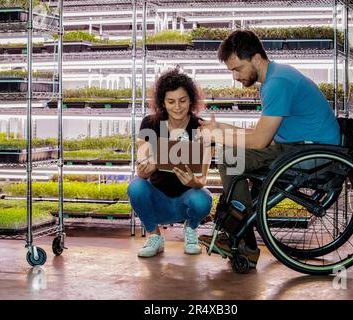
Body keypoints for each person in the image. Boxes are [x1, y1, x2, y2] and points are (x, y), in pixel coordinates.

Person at [198, 30, 340, 269]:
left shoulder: (277, 84)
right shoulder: (274, 78)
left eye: (237, 69)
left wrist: (218, 136)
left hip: (312, 155)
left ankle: (242, 241)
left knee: (229, 157)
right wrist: (220, 127)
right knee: (232, 154)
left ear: (255, 58)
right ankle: (239, 231)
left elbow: (259, 142)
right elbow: (261, 136)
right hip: (301, 147)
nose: (235, 77)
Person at [128, 68, 213, 258]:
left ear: (191, 100)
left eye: (183, 101)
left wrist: (194, 182)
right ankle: (154, 235)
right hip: (159, 200)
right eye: (171, 101)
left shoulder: (201, 127)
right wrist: (147, 169)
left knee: (202, 199)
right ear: (162, 103)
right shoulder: (149, 124)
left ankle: (191, 229)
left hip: (187, 199)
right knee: (136, 187)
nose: (177, 107)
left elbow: (202, 180)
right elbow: (140, 172)